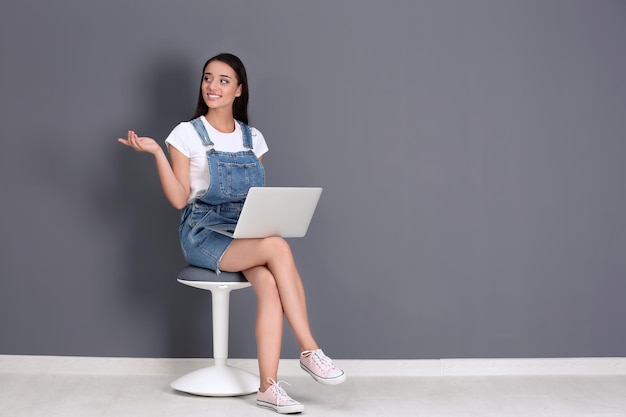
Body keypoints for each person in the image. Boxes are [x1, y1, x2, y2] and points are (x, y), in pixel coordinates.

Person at [118, 52, 345, 414]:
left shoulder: (253, 138)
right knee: (278, 247)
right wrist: (157, 154)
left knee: (270, 283)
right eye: (208, 78)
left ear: (239, 90)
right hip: (202, 233)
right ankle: (309, 349)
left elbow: (253, 198)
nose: (213, 86)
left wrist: (263, 221)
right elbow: (179, 200)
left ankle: (268, 388)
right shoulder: (185, 134)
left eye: (224, 80)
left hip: (245, 230)